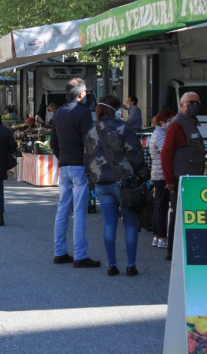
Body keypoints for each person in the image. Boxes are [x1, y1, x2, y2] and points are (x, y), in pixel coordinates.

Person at [84, 95, 149, 276]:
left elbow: (87, 159)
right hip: (124, 182)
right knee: (129, 224)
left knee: (109, 223)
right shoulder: (124, 128)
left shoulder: (91, 131)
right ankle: (130, 265)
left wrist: (91, 181)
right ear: (114, 109)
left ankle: (111, 265)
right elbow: (135, 154)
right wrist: (143, 174)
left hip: (101, 184)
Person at [50, 78, 100, 268]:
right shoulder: (83, 113)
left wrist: (61, 156)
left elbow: (53, 142)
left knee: (63, 208)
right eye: (85, 91)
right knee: (79, 211)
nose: (86, 94)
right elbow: (90, 142)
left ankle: (59, 251)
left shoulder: (59, 112)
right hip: (79, 165)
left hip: (64, 165)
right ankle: (80, 255)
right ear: (80, 94)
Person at [161, 92, 205, 261]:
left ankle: (185, 247)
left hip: (192, 177)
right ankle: (172, 250)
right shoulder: (177, 125)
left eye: (197, 102)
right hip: (182, 178)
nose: (194, 105)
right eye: (190, 102)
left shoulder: (191, 123)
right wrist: (169, 180)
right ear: (182, 105)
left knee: (188, 214)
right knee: (178, 214)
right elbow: (166, 153)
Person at [149, 109, 175, 249]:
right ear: (162, 122)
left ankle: (156, 236)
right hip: (161, 174)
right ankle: (161, 236)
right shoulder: (161, 135)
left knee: (159, 205)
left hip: (157, 173)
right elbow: (165, 153)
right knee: (161, 206)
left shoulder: (157, 133)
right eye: (170, 119)